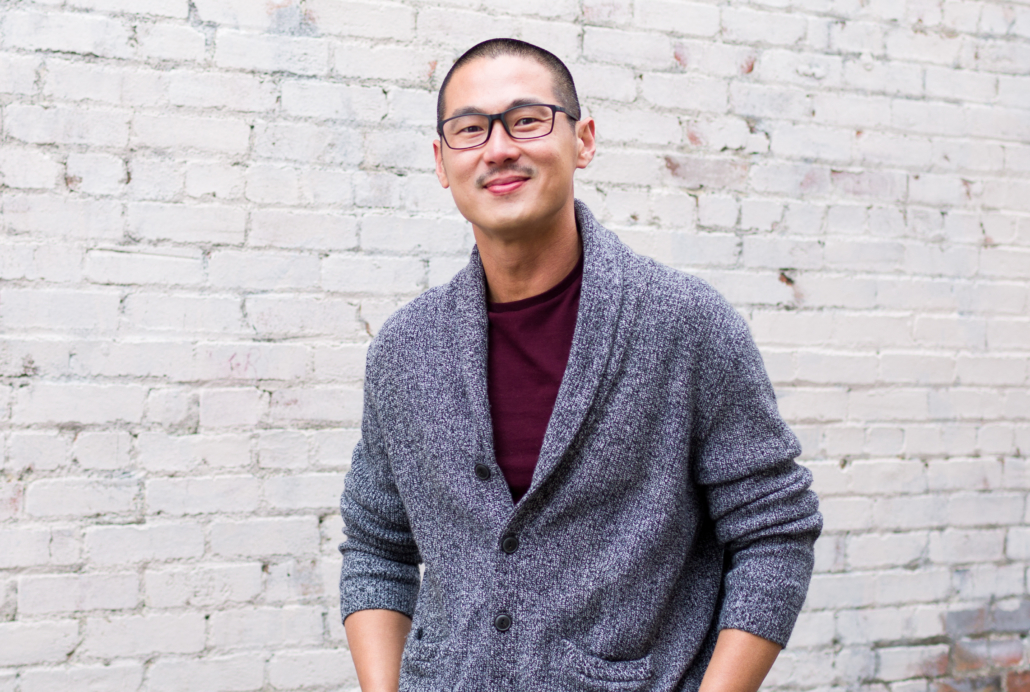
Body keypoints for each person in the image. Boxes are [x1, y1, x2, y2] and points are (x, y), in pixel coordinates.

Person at [338, 38, 822, 692]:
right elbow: (377, 548)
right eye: (470, 129)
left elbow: (773, 532)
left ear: (583, 140)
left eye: (528, 119)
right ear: (441, 161)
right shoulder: (404, 350)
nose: (499, 147)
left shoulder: (683, 324)